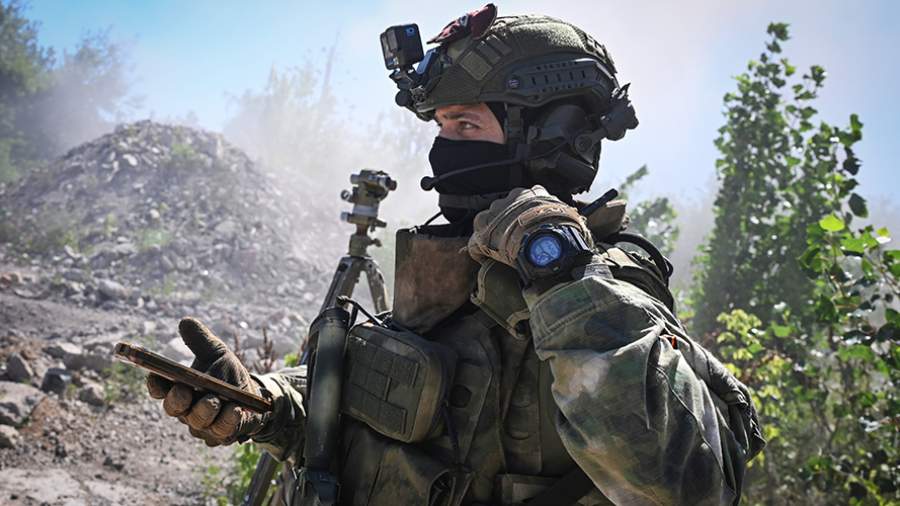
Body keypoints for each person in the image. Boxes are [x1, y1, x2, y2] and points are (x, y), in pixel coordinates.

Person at [146, 5, 765, 505]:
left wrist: (560, 273)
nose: (443, 148)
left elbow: (689, 487)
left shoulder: (602, 287)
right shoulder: (450, 259)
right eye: (440, 125)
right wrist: (266, 404)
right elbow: (384, 414)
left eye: (466, 126)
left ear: (548, 136)